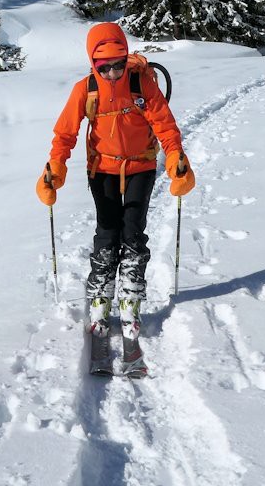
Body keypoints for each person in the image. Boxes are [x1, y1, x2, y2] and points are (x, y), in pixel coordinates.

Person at [34, 22, 195, 340]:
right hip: (102, 170)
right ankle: (99, 301)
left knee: (133, 233)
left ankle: (130, 302)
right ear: (93, 64)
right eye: (103, 67)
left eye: (118, 65)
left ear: (126, 58)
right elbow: (65, 133)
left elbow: (164, 123)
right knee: (107, 234)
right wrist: (55, 166)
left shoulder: (142, 84)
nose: (112, 73)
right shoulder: (85, 89)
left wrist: (175, 155)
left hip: (142, 167)